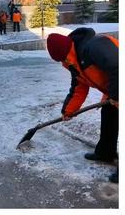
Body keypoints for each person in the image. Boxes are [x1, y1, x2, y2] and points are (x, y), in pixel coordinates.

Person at [47, 28, 118, 183]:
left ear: (68, 50)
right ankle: (106, 153)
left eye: (64, 58)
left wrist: (116, 95)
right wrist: (68, 111)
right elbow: (79, 87)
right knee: (109, 115)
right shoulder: (74, 62)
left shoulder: (95, 47)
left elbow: (118, 66)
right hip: (115, 89)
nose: (64, 63)